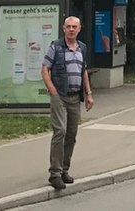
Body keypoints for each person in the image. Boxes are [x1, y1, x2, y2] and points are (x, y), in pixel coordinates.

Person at [41, 16, 94, 190]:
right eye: (68, 27)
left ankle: (64, 169)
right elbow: (45, 69)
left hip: (75, 97)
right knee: (60, 131)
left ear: (79, 29)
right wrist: (53, 91)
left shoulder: (82, 48)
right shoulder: (56, 47)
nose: (71, 29)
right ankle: (55, 174)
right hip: (60, 96)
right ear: (63, 28)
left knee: (71, 134)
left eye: (74, 27)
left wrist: (89, 94)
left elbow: (83, 71)